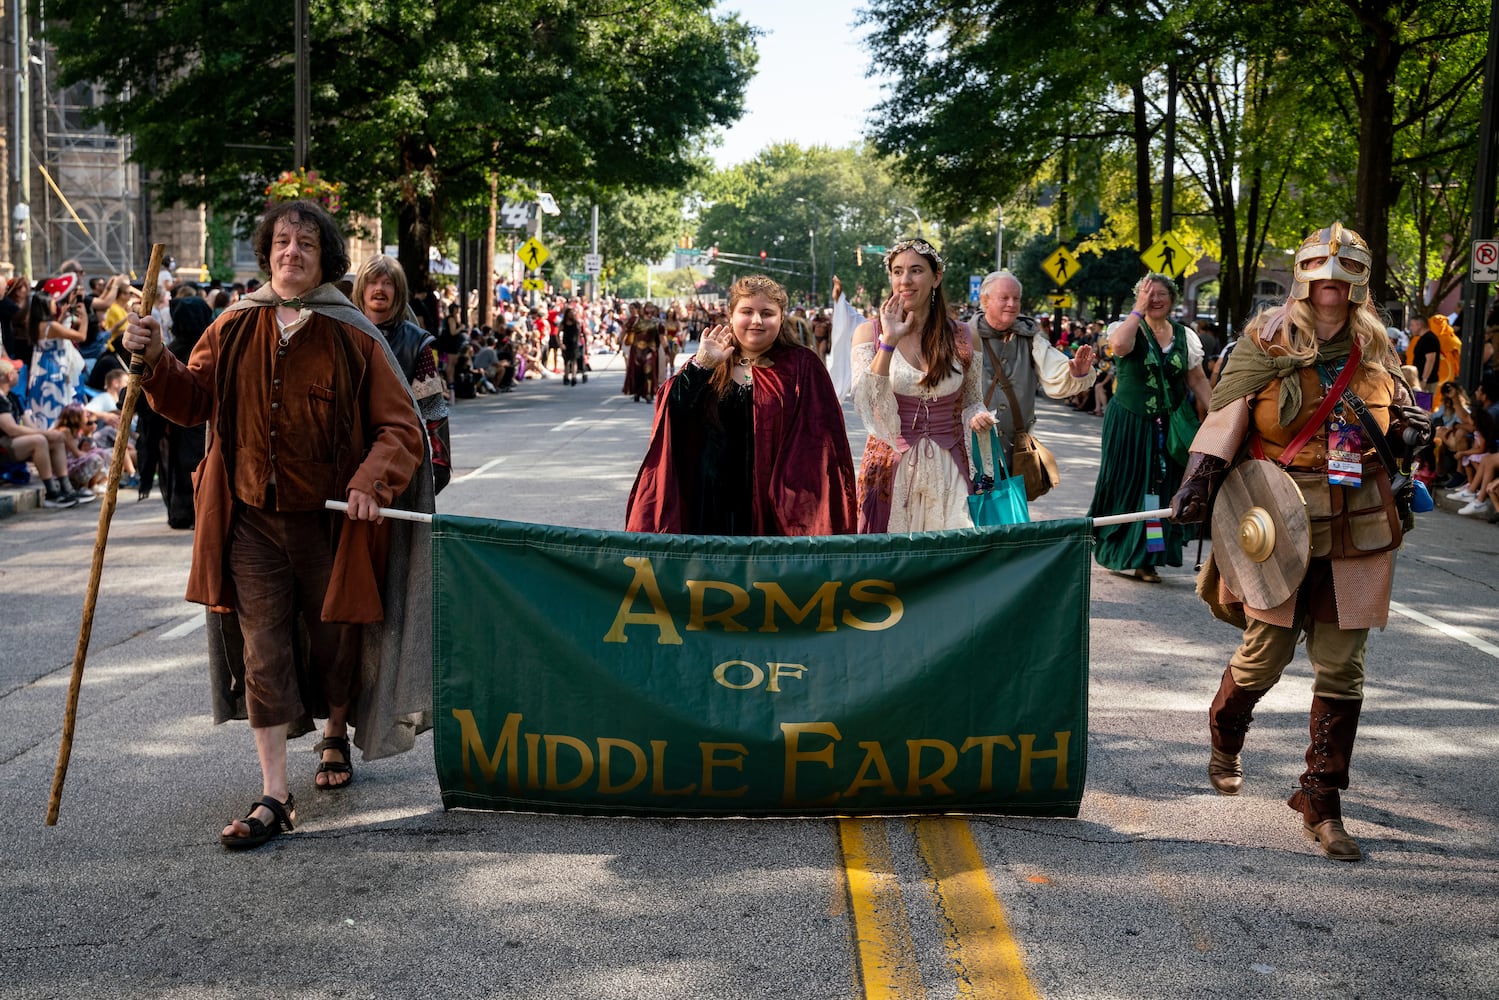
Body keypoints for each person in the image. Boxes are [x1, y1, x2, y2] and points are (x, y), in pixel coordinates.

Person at [122, 199, 430, 851]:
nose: (291, 251)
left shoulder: (352, 332)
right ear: (267, 252)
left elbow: (401, 428)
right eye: (282, 241)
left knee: (334, 643)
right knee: (263, 650)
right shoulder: (234, 323)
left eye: (306, 243)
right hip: (250, 524)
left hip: (331, 525)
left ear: (325, 259)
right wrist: (149, 362)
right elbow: (190, 398)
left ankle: (335, 732)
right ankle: (274, 794)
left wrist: (370, 481)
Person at [1170, 221, 1431, 862]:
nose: (1332, 292)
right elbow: (1226, 417)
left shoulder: (1379, 353)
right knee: (1265, 656)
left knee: (1343, 666)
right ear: (1303, 280)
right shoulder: (1264, 341)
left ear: (1360, 286)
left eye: (1345, 281)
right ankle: (1227, 732)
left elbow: (1392, 434)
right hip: (1275, 521)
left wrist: (1406, 438)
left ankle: (1321, 799)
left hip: (1359, 519)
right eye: (1322, 279)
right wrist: (1200, 480)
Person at [626, 274, 857, 535]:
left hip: (779, 506)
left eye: (767, 313)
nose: (757, 321)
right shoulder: (709, 359)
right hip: (712, 503)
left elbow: (822, 445)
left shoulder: (803, 366)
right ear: (731, 315)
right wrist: (701, 367)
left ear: (781, 318)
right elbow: (672, 413)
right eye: (747, 311)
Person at [851, 239, 996, 533]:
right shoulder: (869, 332)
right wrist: (888, 343)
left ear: (936, 277)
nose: (905, 280)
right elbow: (866, 404)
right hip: (890, 468)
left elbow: (972, 401)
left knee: (951, 558)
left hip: (950, 469)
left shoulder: (965, 337)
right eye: (897, 271)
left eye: (916, 270)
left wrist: (979, 417)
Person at [1087, 272, 1210, 582]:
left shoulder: (1185, 336)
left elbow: (1196, 379)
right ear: (1138, 298)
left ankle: (1148, 557)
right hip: (1128, 421)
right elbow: (1119, 346)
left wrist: (1218, 414)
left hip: (1168, 425)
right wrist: (1137, 311)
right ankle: (1116, 549)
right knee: (1126, 483)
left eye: (1161, 295)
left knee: (1159, 488)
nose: (1154, 299)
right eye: (1147, 294)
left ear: (1172, 300)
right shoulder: (1126, 328)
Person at [969, 270, 1097, 468]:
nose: (1011, 304)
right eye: (1004, 298)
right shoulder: (963, 336)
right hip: (969, 446)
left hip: (1015, 450)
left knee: (1012, 500)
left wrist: (1075, 372)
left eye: (1016, 298)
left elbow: (1055, 367)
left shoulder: (1031, 338)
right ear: (985, 301)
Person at [354, 255, 452, 492]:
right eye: (372, 282)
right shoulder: (342, 333)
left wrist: (440, 462)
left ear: (398, 291)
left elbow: (434, 409)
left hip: (399, 457)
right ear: (361, 287)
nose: (379, 289)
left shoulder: (416, 343)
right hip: (349, 456)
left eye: (388, 283)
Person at [0, 357, 83, 507]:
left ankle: (66, 488)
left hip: (14, 442)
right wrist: (44, 434)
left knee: (56, 439)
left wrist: (50, 433)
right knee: (39, 440)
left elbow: (29, 424)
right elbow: (11, 429)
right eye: (16, 371)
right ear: (9, 376)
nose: (19, 374)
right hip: (4, 444)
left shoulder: (12, 397)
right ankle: (51, 493)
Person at [25, 276, 90, 428]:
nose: (55, 303)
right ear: (46, 305)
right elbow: (81, 336)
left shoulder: (36, 325)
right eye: (53, 301)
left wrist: (62, 316)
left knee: (41, 406)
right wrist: (85, 316)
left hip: (39, 371)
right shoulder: (51, 326)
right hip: (53, 371)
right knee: (56, 407)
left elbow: (52, 335)